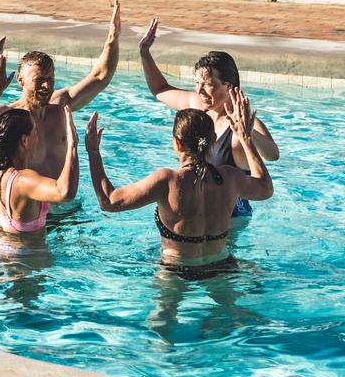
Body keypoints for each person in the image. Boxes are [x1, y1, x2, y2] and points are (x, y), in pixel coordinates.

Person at [84, 97, 273, 278]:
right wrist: (246, 139)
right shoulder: (230, 177)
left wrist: (93, 152)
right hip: (222, 265)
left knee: (165, 312)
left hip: (177, 269)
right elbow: (265, 189)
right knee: (232, 310)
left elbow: (109, 201)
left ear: (177, 143)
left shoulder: (167, 181)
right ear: (213, 139)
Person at [0, 1, 123, 198]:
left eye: (50, 80)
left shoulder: (60, 106)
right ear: (20, 80)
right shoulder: (10, 118)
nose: (47, 86)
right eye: (39, 80)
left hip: (67, 209)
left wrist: (113, 38)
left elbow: (100, 77)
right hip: (31, 211)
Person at [138, 29, 279, 225]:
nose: (199, 90)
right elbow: (160, 89)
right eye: (197, 83)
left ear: (228, 86)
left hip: (232, 218)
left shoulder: (244, 125)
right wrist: (145, 53)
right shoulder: (197, 106)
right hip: (198, 207)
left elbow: (272, 155)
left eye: (207, 84)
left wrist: (247, 133)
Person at [0, 54, 77, 235]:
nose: (38, 134)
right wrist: (73, 146)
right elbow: (65, 192)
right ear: (24, 140)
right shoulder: (24, 181)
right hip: (25, 259)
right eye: (34, 131)